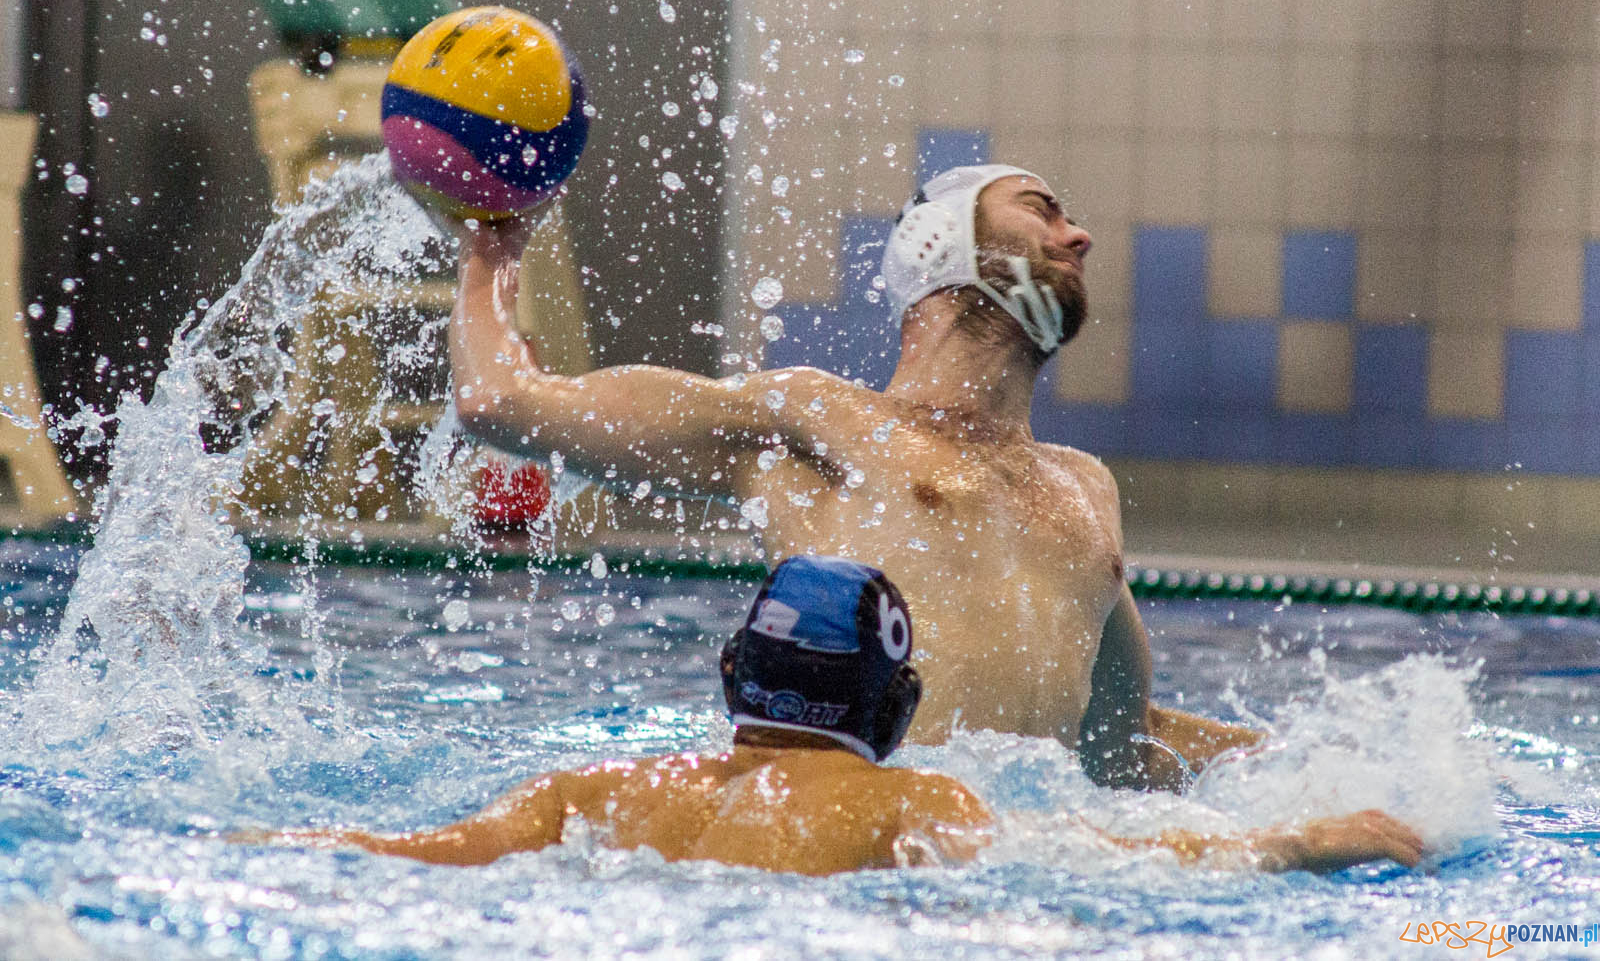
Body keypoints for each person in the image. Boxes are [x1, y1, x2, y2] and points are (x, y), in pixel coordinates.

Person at [446, 163, 1260, 791]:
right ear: (940, 242)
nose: (1078, 235)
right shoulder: (815, 423)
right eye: (1039, 209)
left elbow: (1122, 749)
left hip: (1005, 877)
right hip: (858, 858)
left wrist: (1323, 765)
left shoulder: (1085, 488)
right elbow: (501, 401)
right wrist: (494, 245)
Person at [249, 557, 1423, 876]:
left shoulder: (594, 789)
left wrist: (263, 846)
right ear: (897, 707)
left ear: (732, 675)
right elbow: (1105, 864)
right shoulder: (914, 800)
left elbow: (407, 854)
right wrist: (1287, 839)